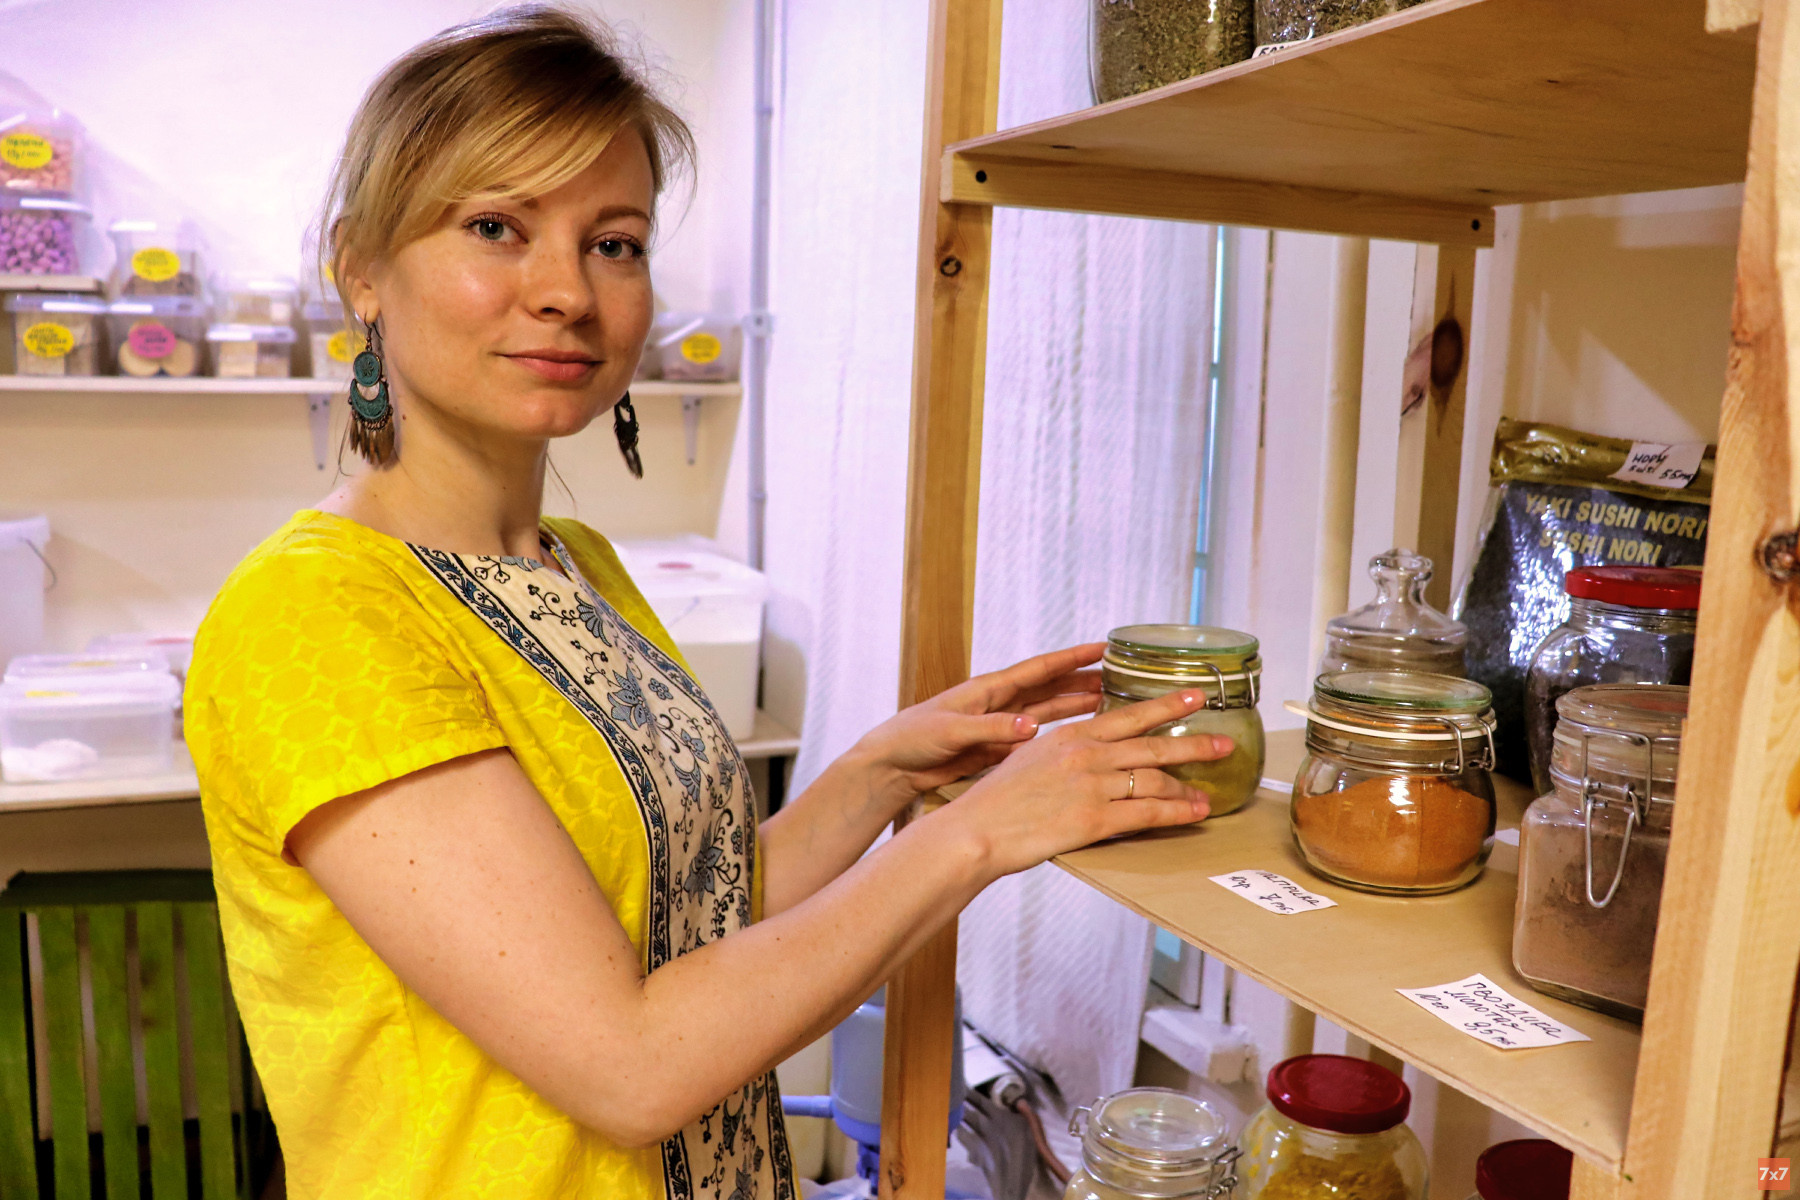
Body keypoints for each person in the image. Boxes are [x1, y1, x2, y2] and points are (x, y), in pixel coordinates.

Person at [183, 8, 1231, 1199]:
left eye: (614, 243)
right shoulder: (318, 614)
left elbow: (687, 914)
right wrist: (975, 835)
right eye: (496, 228)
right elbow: (629, 1063)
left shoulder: (576, 565)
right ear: (361, 270)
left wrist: (882, 774)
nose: (567, 291)